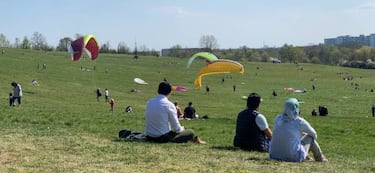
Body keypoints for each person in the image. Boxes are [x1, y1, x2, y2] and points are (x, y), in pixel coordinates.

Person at [269, 98, 328, 162]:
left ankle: (308, 155)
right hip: (292, 158)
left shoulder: (277, 118)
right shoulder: (299, 121)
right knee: (310, 137)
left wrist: (300, 134)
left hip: (273, 155)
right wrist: (304, 135)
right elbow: (314, 135)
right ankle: (319, 157)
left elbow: (287, 132)